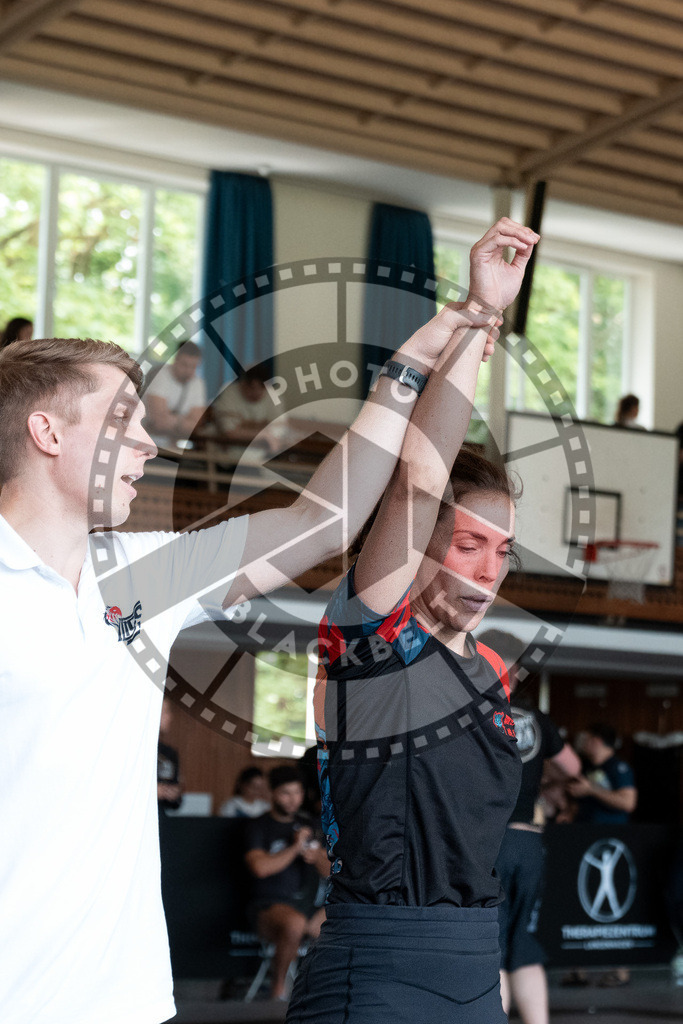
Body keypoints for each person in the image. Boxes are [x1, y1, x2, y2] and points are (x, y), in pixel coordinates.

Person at [0, 218, 516, 1024]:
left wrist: (427, 346)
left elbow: (327, 517)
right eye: (123, 421)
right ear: (47, 431)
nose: (150, 443)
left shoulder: (143, 575)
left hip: (125, 1001)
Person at [286, 221, 540, 1023]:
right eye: (467, 545)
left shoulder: (490, 671)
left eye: (501, 552)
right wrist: (477, 315)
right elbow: (416, 482)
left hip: (475, 970)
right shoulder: (373, 638)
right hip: (376, 971)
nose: (488, 570)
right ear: (420, 547)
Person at [477, 629, 581, 1024]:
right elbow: (573, 768)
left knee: (495, 947)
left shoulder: (469, 713)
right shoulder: (536, 719)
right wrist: (542, 779)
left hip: (489, 843)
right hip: (529, 843)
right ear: (517, 671)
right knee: (524, 946)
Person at [245, 766, 329, 999]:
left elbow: (332, 873)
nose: (293, 799)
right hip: (270, 905)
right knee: (295, 923)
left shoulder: (311, 825)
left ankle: (328, 992)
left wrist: (316, 856)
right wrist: (295, 848)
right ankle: (278, 991)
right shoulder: (258, 826)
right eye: (285, 793)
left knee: (344, 917)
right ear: (272, 793)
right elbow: (260, 868)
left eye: (298, 793)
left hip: (310, 906)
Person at [565, 723, 638, 990]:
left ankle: (620, 970)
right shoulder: (586, 769)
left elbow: (628, 802)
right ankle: (578, 969)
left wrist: (592, 790)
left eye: (587, 738)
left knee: (612, 907)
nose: (583, 742)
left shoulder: (618, 768)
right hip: (582, 843)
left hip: (611, 847)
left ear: (597, 740)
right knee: (578, 902)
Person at [145, 339, 207, 448]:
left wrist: (172, 419)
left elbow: (196, 426)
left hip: (175, 445)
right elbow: (159, 423)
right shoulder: (160, 375)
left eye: (193, 366)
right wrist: (184, 420)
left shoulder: (198, 383)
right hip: (148, 440)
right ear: (176, 359)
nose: (188, 371)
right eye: (184, 365)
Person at [157, 695, 183, 813]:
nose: (170, 717)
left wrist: (173, 793)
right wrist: (153, 791)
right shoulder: (135, 750)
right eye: (165, 712)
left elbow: (177, 801)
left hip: (162, 815)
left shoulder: (169, 753)